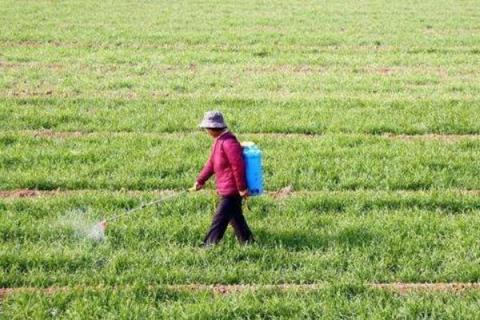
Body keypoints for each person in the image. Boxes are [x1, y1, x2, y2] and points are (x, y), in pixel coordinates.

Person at [192, 111, 254, 245]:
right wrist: (200, 180)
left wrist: (242, 188)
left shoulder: (229, 143)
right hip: (227, 188)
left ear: (213, 128)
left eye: (206, 129)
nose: (206, 131)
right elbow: (211, 163)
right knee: (236, 217)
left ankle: (208, 245)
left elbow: (238, 166)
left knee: (219, 219)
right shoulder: (219, 141)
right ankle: (248, 241)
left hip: (231, 190)